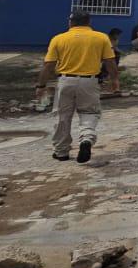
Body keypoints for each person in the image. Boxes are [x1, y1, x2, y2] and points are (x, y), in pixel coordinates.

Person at [35, 11, 117, 164]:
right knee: (89, 112)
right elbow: (110, 61)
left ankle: (61, 152)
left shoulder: (59, 39)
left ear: (70, 22)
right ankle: (86, 139)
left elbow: (48, 65)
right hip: (89, 82)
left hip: (65, 81)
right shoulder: (101, 37)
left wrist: (41, 85)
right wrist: (115, 80)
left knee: (62, 116)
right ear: (89, 22)